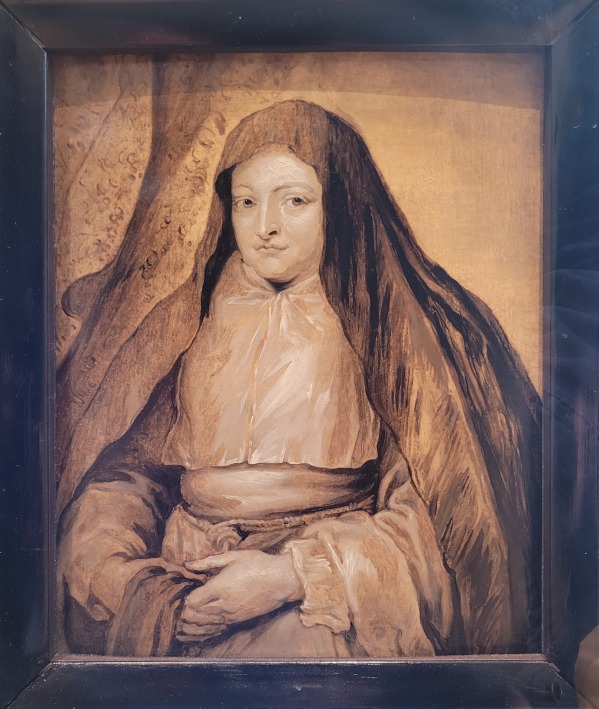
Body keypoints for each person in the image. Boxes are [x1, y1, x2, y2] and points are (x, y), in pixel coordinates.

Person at [57, 100, 541, 658]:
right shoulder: (188, 326)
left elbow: (431, 525)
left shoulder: (387, 334)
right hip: (185, 591)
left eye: (294, 201)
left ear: (338, 207)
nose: (265, 227)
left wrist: (289, 576)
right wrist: (127, 575)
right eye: (246, 202)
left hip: (322, 607)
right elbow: (128, 478)